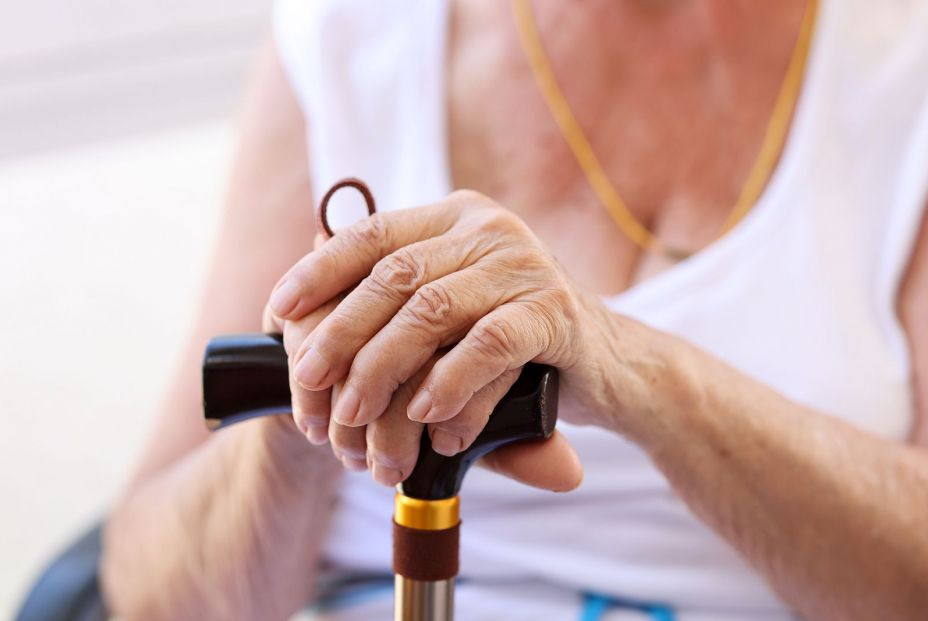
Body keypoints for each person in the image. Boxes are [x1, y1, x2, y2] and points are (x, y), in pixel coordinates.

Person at [100, 0, 928, 619]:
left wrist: (635, 371)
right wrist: (308, 406)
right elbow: (144, 588)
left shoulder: (902, 73)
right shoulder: (353, 34)